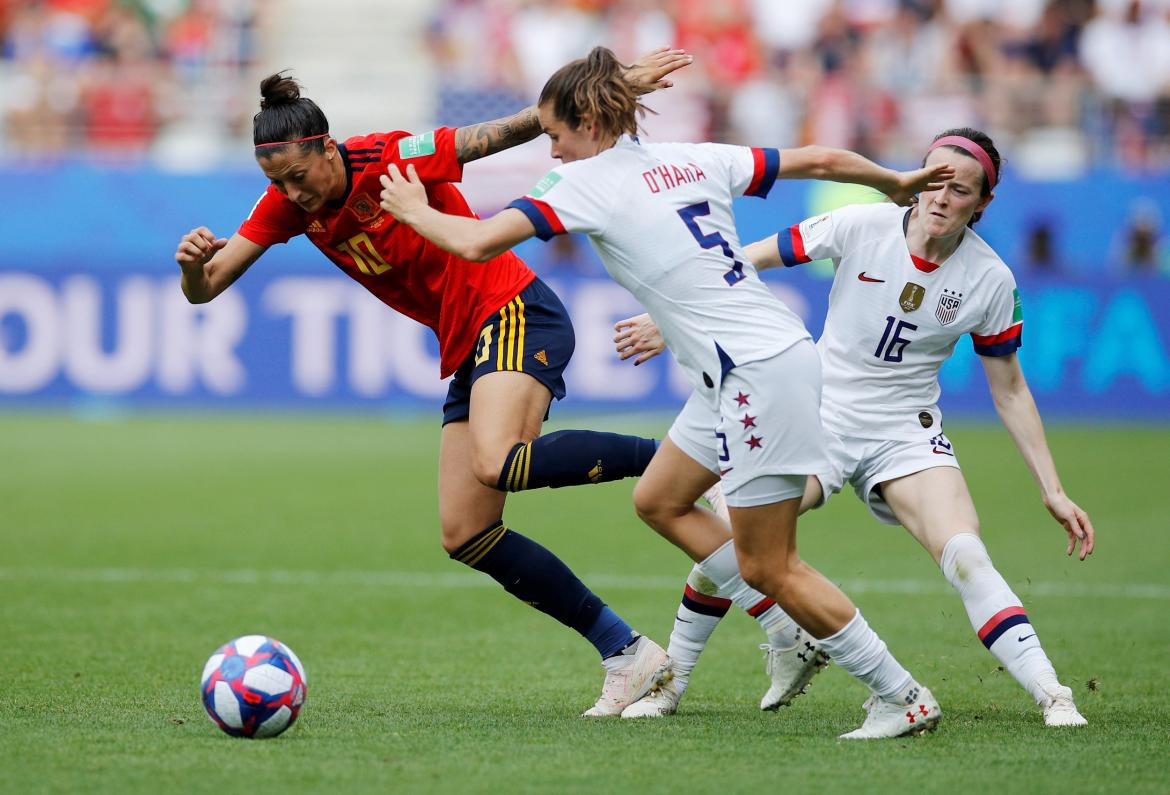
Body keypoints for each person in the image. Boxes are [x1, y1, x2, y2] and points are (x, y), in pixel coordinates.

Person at [378, 46, 956, 739]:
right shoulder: (695, 157)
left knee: (770, 562)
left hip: (754, 375)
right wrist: (894, 179)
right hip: (752, 362)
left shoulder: (582, 184)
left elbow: (474, 243)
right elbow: (822, 161)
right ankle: (785, 630)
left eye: (556, 133)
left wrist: (411, 207)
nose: (551, 148)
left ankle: (899, 692)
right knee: (658, 497)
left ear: (589, 123)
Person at [172, 48, 694, 718]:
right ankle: (627, 652)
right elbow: (207, 288)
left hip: (510, 307)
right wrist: (192, 266)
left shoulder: (395, 155)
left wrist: (608, 87)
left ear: (328, 148)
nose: (295, 194)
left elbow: (507, 130)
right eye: (281, 184)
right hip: (468, 342)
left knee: (499, 461)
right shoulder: (288, 206)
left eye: (301, 176)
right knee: (466, 532)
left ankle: (678, 459)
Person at [615, 127, 1096, 728]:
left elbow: (1011, 388)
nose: (943, 199)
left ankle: (1055, 696)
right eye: (936, 183)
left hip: (906, 431)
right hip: (818, 414)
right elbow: (752, 258)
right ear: (919, 178)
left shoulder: (991, 279)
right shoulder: (862, 225)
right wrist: (671, 318)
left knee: (968, 556)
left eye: (962, 192)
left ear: (983, 204)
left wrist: (1052, 488)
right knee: (741, 527)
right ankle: (676, 682)